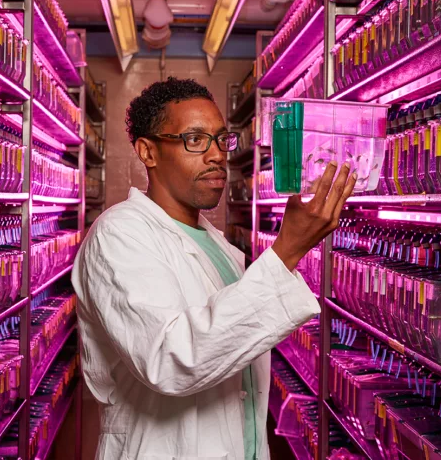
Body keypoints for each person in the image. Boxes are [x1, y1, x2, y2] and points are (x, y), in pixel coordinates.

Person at [72, 77, 356, 460]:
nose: (216, 155)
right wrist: (288, 250)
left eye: (222, 139)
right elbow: (170, 359)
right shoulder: (118, 234)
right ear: (148, 152)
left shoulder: (214, 243)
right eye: (195, 139)